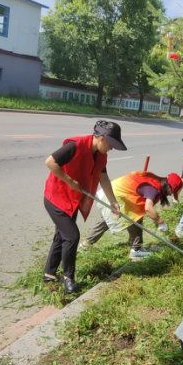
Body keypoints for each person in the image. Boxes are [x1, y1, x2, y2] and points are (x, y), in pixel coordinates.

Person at [43, 120, 127, 293]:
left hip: (72, 200)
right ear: (102, 138)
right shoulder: (76, 145)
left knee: (62, 236)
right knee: (72, 236)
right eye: (111, 145)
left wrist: (113, 202)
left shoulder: (101, 155)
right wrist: (69, 180)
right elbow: (50, 162)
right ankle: (69, 278)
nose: (111, 149)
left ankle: (49, 274)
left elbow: (103, 178)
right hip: (56, 198)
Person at [80, 171, 183, 260]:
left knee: (110, 220)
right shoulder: (153, 189)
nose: (170, 194)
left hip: (117, 191)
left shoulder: (154, 179)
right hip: (118, 195)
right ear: (168, 186)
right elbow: (148, 208)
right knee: (132, 218)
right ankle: (136, 251)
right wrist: (160, 222)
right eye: (171, 192)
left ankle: (85, 245)